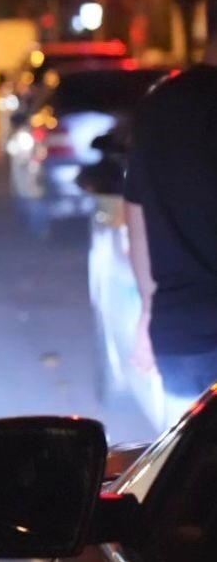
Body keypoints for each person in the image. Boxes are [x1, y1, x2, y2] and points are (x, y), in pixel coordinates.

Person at [124, 40, 217, 424]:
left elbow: (137, 217)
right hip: (183, 332)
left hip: (184, 332)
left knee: (189, 476)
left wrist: (149, 309)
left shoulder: (159, 106)